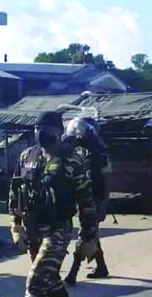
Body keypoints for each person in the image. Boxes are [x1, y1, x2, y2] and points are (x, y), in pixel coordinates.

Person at [5, 111, 99, 297]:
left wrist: (88, 238)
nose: (40, 133)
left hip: (58, 230)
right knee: (50, 280)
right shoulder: (28, 156)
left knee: (35, 281)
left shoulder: (72, 160)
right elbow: (15, 191)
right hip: (33, 230)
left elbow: (86, 202)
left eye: (45, 128)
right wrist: (15, 225)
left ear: (59, 130)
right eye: (36, 128)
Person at [63, 117, 112, 284]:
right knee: (92, 234)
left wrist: (104, 205)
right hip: (79, 199)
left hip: (93, 200)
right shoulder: (73, 152)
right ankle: (102, 266)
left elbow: (106, 180)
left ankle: (73, 272)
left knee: (85, 234)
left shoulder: (100, 154)